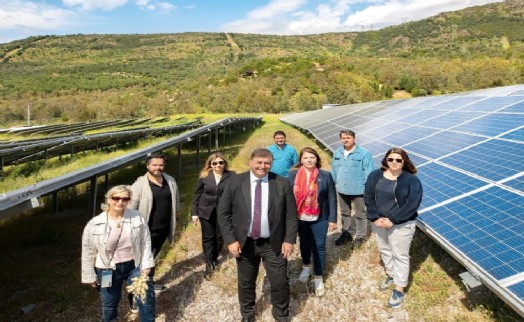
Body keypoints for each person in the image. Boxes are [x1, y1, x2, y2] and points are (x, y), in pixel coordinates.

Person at [218, 148, 298, 322]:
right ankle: (247, 315)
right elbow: (223, 213)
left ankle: (281, 315)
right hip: (245, 243)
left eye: (267, 163)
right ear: (251, 162)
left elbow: (291, 215)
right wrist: (231, 240)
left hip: (273, 243)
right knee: (246, 283)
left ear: (271, 164)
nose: (263, 166)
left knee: (279, 282)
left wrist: (289, 240)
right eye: (259, 162)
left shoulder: (282, 183)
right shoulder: (235, 182)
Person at [81, 185, 155, 322]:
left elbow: (145, 241)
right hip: (107, 269)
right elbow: (88, 251)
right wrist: (89, 275)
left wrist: (147, 265)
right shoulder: (95, 223)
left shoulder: (137, 217)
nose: (120, 202)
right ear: (109, 199)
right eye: (116, 198)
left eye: (125, 199)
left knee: (145, 299)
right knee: (109, 303)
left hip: (134, 265)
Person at [364, 147, 423, 309]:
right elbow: (368, 197)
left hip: (402, 223)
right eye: (391, 159)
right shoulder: (375, 176)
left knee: (400, 255)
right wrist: (375, 217)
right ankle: (391, 274)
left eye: (398, 160)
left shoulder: (411, 180)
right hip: (379, 221)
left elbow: (413, 203)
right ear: (386, 160)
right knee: (384, 250)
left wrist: (394, 219)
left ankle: (399, 287)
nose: (394, 162)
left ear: (404, 162)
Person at [288, 147, 337, 297]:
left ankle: (318, 277)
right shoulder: (292, 175)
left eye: (312, 157)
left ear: (317, 159)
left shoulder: (325, 175)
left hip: (320, 218)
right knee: (304, 243)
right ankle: (306, 266)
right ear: (301, 160)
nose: (309, 160)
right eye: (306, 158)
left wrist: (333, 219)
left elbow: (332, 198)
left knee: (320, 247)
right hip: (300, 218)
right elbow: (288, 197)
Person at [128, 152, 180, 293]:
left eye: (161, 165)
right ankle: (136, 293)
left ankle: (148, 283)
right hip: (146, 230)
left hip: (162, 229)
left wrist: (175, 216)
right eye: (155, 165)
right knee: (143, 261)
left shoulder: (170, 181)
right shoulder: (140, 185)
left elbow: (175, 200)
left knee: (151, 258)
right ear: (148, 166)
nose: (158, 167)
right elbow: (130, 208)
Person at [191, 152, 235, 279]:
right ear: (210, 164)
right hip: (206, 210)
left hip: (223, 211)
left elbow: (236, 193)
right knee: (208, 237)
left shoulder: (231, 175)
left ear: (224, 163)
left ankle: (215, 256)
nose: (218, 165)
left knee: (220, 237)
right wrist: (194, 213)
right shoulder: (204, 176)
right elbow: (197, 195)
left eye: (221, 162)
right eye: (214, 163)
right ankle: (208, 263)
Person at [331, 130, 374, 248]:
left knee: (360, 214)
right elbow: (334, 169)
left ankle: (360, 236)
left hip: (359, 189)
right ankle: (346, 234)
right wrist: (333, 182)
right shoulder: (337, 153)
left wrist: (367, 188)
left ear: (354, 138)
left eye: (348, 137)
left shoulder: (364, 153)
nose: (346, 140)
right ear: (341, 139)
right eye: (343, 138)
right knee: (345, 213)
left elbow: (369, 172)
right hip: (341, 188)